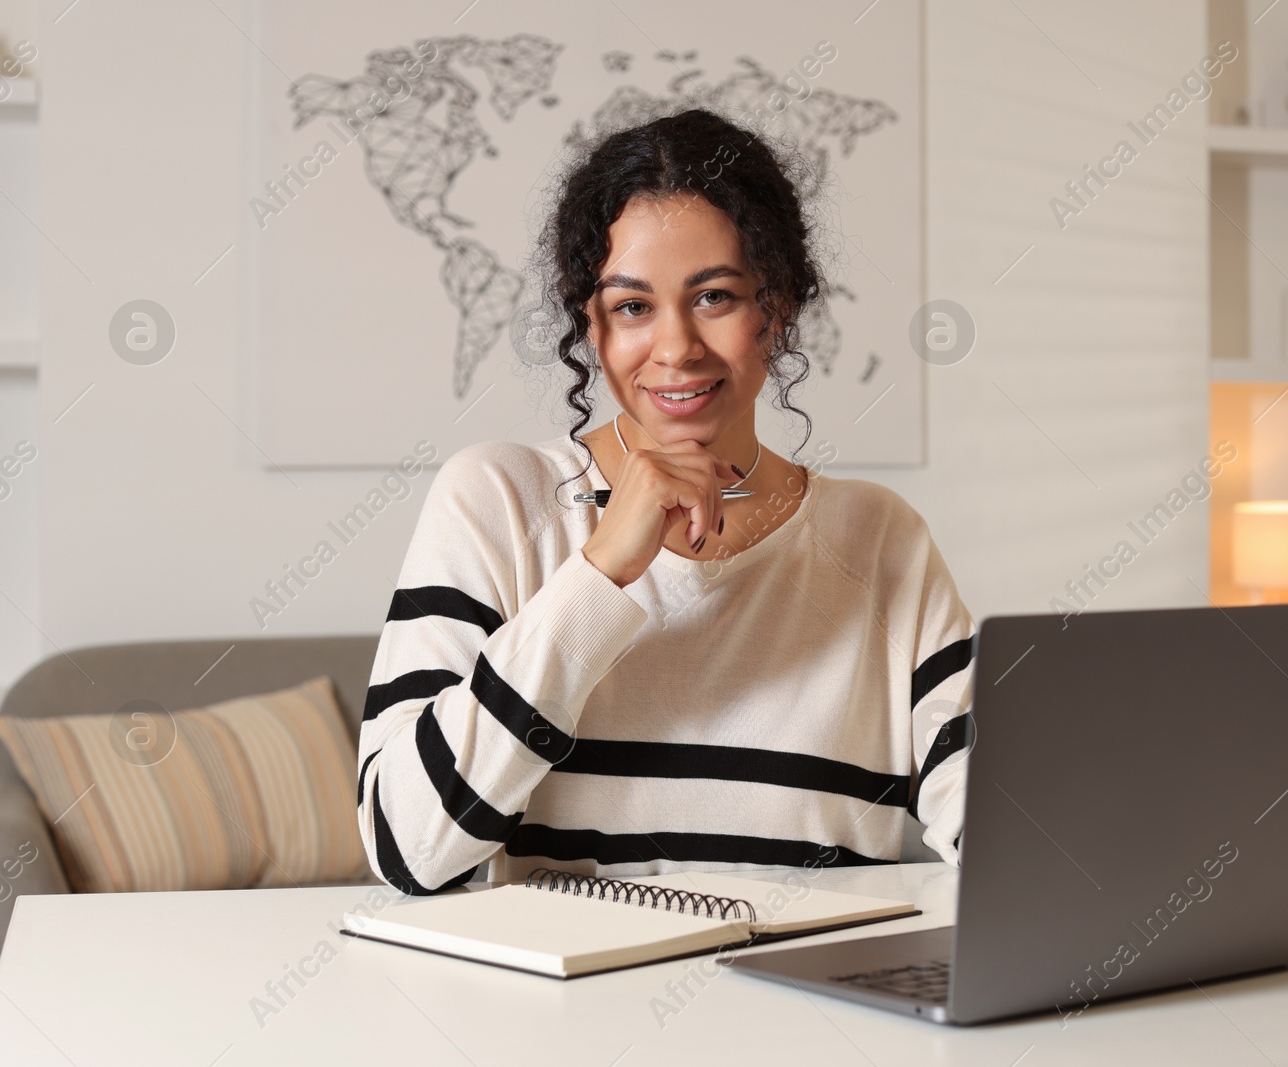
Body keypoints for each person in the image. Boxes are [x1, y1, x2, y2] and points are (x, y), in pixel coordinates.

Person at [357, 108, 976, 893]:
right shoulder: (500, 502)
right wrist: (598, 575)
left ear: (776, 307)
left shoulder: (881, 540)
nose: (677, 346)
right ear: (593, 326)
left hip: (814, 1005)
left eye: (714, 297)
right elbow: (403, 846)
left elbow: (1007, 836)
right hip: (571, 1009)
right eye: (632, 307)